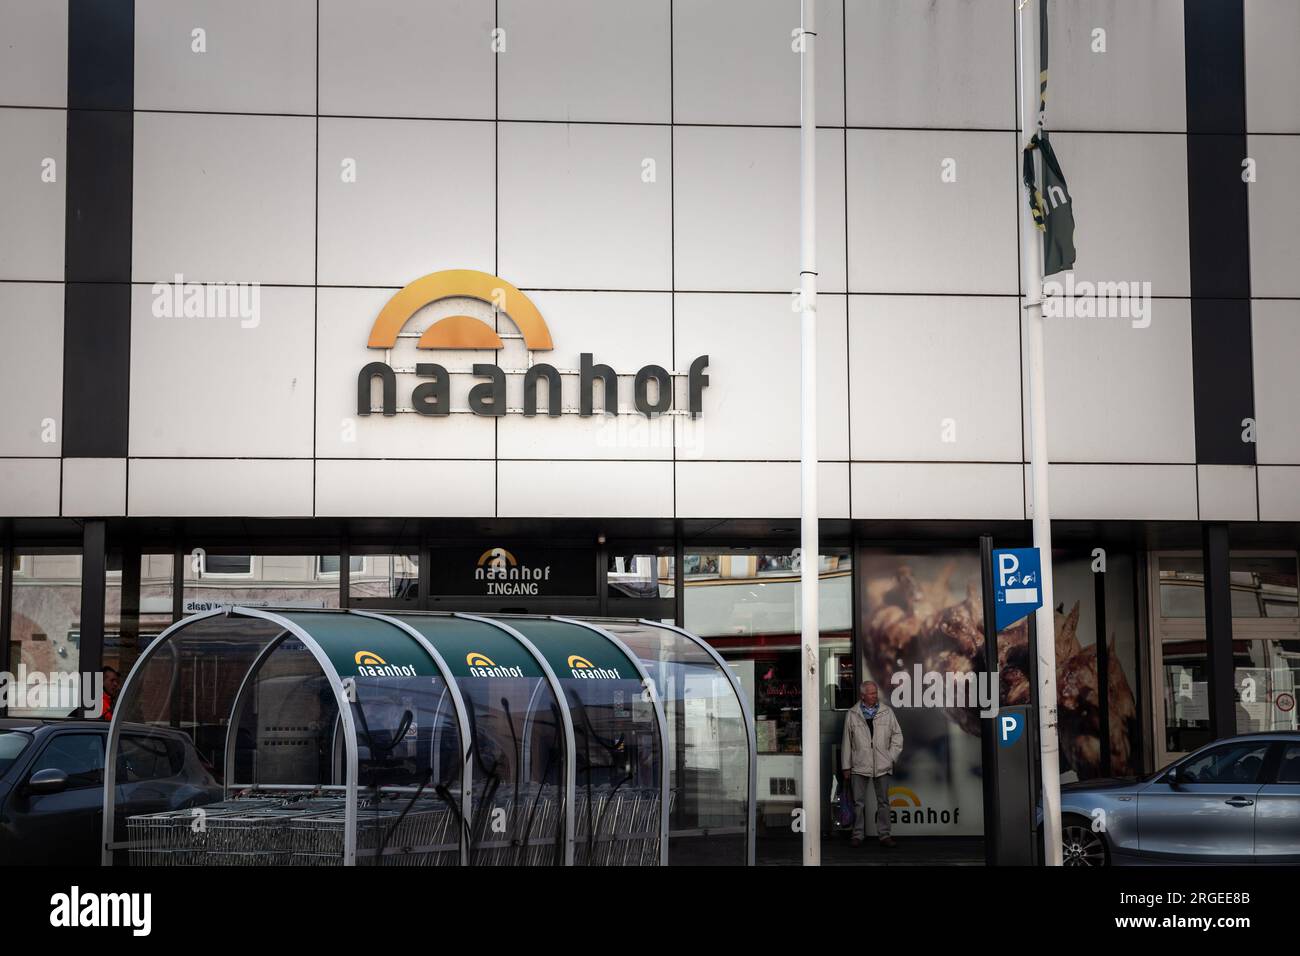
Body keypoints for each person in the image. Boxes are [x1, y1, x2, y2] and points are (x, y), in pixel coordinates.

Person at [840, 680, 903, 848]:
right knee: (858, 803)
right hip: (859, 765)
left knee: (883, 802)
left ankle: (884, 835)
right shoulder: (852, 714)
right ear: (863, 695)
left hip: (882, 765)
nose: (875, 695)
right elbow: (847, 741)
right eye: (871, 693)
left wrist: (891, 757)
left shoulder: (887, 712)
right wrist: (846, 766)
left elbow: (898, 736)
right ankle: (857, 835)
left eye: (876, 692)